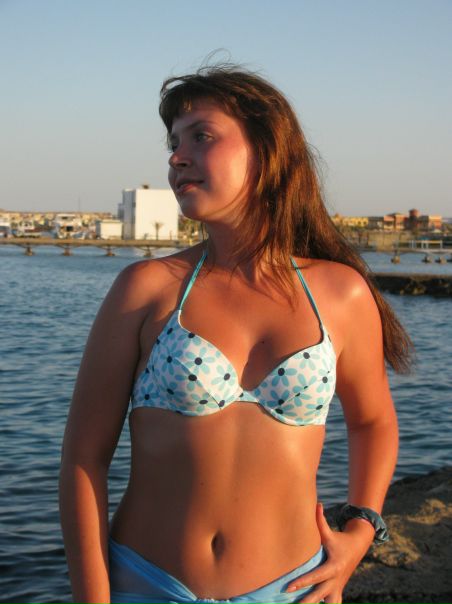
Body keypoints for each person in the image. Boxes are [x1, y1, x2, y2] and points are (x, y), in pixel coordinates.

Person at [59, 64, 411, 604]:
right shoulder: (147, 288)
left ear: (268, 151)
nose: (177, 157)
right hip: (148, 586)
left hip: (293, 590)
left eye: (201, 136)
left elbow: (373, 421)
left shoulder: (340, 293)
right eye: (174, 143)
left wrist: (361, 533)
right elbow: (84, 458)